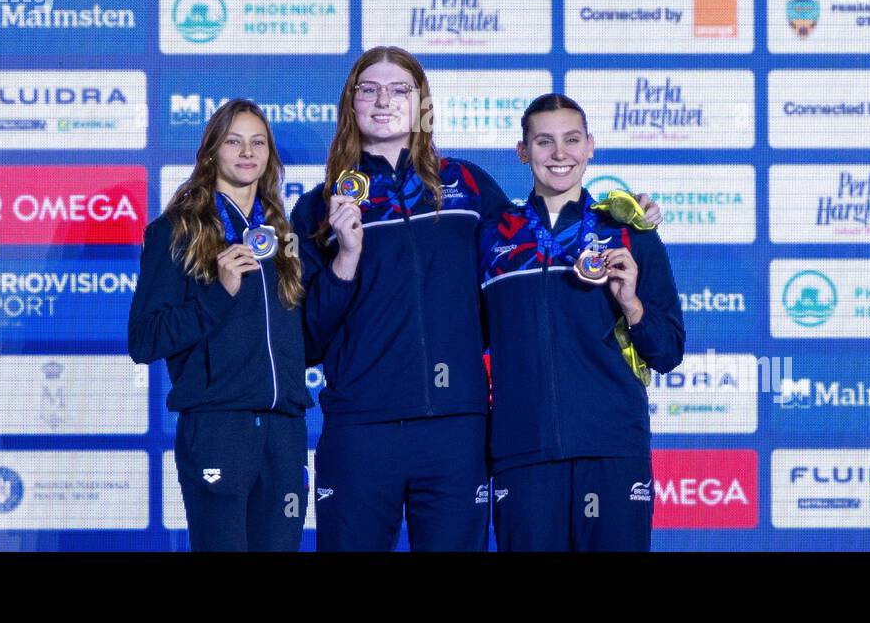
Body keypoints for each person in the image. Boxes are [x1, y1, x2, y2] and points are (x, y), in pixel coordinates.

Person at [291, 48, 664, 551]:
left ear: (421, 103)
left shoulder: (465, 186)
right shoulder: (317, 207)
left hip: (457, 430)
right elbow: (307, 342)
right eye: (369, 89)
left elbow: (535, 254)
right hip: (360, 428)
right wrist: (345, 259)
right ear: (350, 103)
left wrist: (618, 221)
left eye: (399, 89)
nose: (384, 100)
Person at [478, 93, 685, 551]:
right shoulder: (492, 236)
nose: (559, 154)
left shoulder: (628, 231)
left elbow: (667, 351)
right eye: (544, 141)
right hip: (523, 452)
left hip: (611, 447)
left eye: (572, 140)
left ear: (591, 146)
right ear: (522, 150)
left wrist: (632, 305)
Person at [128, 99, 310, 551]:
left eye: (258, 142)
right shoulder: (175, 231)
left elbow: (302, 332)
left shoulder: (282, 236)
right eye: (234, 141)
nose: (247, 152)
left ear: (269, 154)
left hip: (284, 431)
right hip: (218, 428)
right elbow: (143, 340)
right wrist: (217, 293)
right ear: (211, 151)